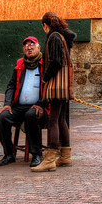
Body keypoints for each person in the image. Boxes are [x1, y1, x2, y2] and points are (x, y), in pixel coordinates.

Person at [32, 11, 76, 172]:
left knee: (53, 120)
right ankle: (65, 155)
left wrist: (45, 78)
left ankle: (50, 158)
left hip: (57, 85)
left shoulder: (54, 37)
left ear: (45, 25)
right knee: (62, 119)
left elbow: (56, 61)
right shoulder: (62, 36)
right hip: (63, 85)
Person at [0, 36, 47, 167]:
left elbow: (48, 87)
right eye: (26, 45)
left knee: (31, 115)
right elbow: (11, 86)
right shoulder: (20, 64)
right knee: (2, 117)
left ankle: (36, 154)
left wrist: (41, 103)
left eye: (32, 45)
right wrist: (7, 104)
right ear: (23, 49)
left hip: (39, 106)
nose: (29, 48)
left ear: (38, 47)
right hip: (19, 107)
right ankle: (8, 154)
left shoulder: (45, 64)